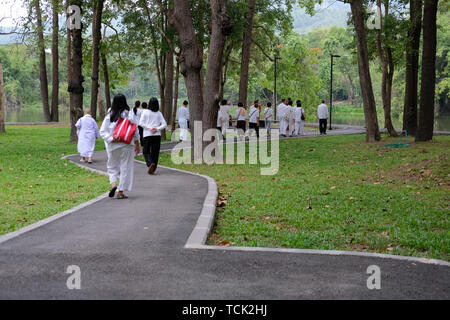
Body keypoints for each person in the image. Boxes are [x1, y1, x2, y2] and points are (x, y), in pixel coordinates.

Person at [99, 94, 140, 199]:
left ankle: (113, 184)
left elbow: (102, 132)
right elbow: (135, 130)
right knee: (125, 167)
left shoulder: (110, 116)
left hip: (113, 146)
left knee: (112, 167)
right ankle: (120, 191)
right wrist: (137, 143)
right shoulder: (129, 115)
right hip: (127, 145)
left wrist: (112, 138)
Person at [139, 97, 167, 174]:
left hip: (148, 134)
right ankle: (153, 168)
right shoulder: (159, 113)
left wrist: (149, 128)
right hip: (157, 135)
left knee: (146, 151)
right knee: (155, 152)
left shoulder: (145, 112)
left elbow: (141, 123)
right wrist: (157, 129)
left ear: (149, 103)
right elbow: (164, 124)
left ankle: (149, 163)